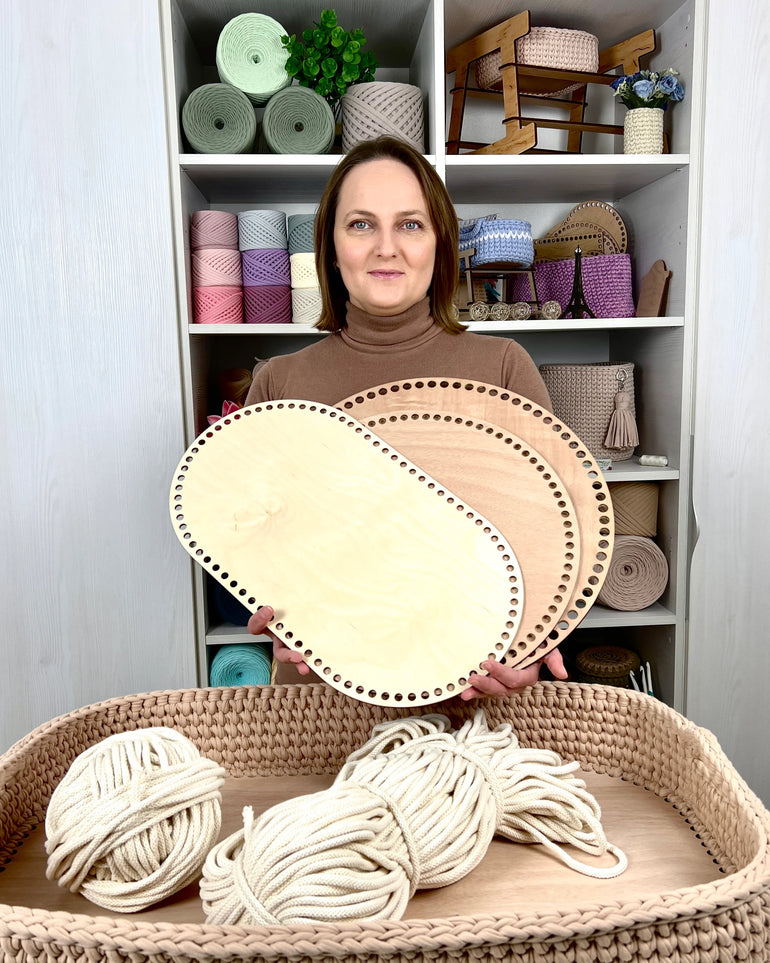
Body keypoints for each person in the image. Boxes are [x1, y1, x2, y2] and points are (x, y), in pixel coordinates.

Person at [244, 135, 567, 699]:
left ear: (439, 242)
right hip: (318, 697)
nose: (386, 248)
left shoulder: (503, 368)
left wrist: (535, 646)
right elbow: (254, 549)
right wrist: (276, 611)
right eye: (361, 224)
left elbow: (559, 536)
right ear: (331, 245)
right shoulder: (278, 384)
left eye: (410, 224)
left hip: (471, 693)